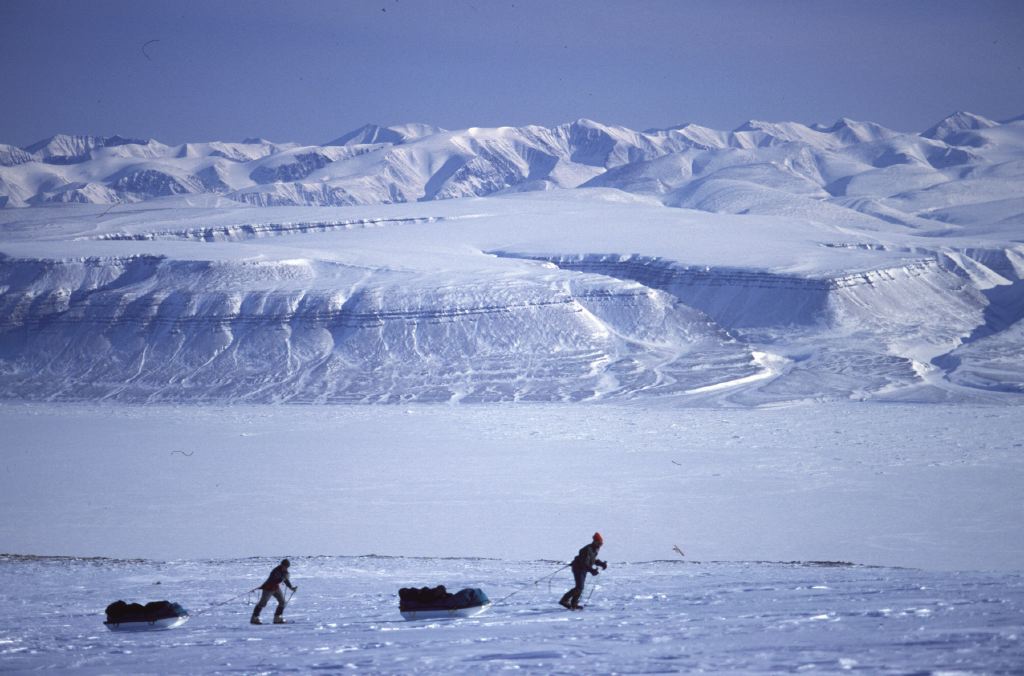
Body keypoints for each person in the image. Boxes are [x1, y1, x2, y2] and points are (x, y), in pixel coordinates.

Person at [559, 532, 607, 610]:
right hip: (578, 568)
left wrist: (601, 564)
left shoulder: (594, 549)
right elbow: (584, 563)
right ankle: (564, 600)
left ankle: (573, 604)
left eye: (601, 543)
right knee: (579, 587)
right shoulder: (587, 549)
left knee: (580, 587)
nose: (600, 545)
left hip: (583, 569)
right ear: (595, 541)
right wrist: (592, 571)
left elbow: (592, 560)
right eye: (599, 543)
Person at [251, 559, 297, 624]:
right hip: (268, 588)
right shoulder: (276, 571)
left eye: (287, 567)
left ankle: (277, 618)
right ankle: (254, 618)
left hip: (276, 588)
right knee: (263, 603)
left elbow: (286, 580)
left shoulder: (285, 571)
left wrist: (291, 587)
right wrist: (283, 578)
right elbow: (275, 580)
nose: (286, 568)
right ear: (282, 565)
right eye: (285, 566)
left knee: (282, 602)